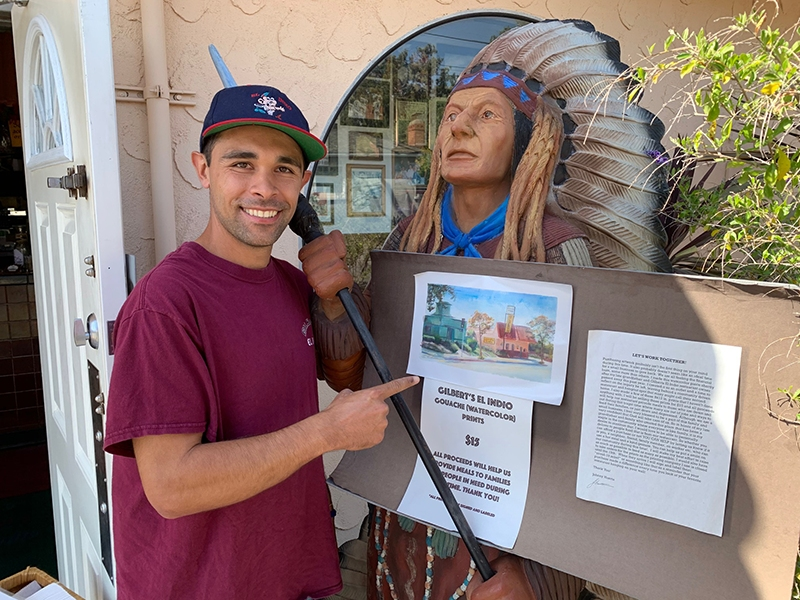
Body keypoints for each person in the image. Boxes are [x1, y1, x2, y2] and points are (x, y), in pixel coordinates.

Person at [302, 19, 669, 600]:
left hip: (506, 535)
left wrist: (542, 573)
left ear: (529, 141)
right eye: (451, 115)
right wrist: (333, 306)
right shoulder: (409, 241)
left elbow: (588, 422)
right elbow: (357, 375)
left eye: (486, 115)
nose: (459, 127)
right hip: (408, 514)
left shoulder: (555, 249)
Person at [103, 84, 419, 600]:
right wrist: (326, 432)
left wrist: (333, 303)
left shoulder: (292, 286)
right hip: (199, 586)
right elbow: (172, 486)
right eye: (241, 164)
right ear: (203, 170)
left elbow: (340, 371)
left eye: (284, 168)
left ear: (303, 183)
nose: (264, 188)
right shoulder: (165, 304)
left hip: (281, 571)